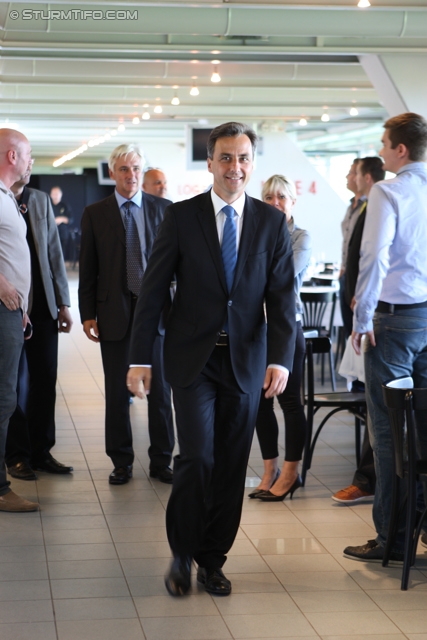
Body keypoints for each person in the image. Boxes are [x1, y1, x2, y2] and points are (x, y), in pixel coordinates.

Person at [127, 122, 296, 597]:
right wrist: (139, 356)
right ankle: (181, 553)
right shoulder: (182, 217)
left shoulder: (270, 222)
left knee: (229, 466)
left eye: (243, 158)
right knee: (197, 458)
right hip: (193, 360)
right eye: (225, 158)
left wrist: (280, 358)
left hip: (245, 362)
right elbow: (154, 291)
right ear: (210, 162)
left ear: (252, 163)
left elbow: (284, 298)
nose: (234, 168)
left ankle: (213, 559)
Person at [343, 112, 427, 563]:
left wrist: (361, 320)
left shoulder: (388, 190)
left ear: (400, 150)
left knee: (390, 432)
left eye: (383, 143)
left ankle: (393, 540)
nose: (378, 150)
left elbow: (373, 257)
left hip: (394, 322)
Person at [78, 144, 175, 486]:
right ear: (112, 173)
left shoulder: (164, 210)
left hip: (158, 314)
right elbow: (88, 267)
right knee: (119, 393)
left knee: (161, 392)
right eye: (123, 169)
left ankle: (162, 460)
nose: (131, 175)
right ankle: (121, 461)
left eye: (136, 168)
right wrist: (87, 312)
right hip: (114, 313)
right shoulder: (96, 212)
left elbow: (179, 265)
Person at [5, 170, 73, 480]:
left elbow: (54, 252)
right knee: (15, 384)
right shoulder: (3, 198)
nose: (30, 164)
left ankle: (42, 451)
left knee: (45, 380)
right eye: (26, 157)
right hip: (10, 307)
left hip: (43, 306)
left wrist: (63, 303)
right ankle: (17, 455)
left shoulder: (39, 200)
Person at [249, 174, 311, 502]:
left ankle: (291, 472)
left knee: (289, 403)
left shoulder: (301, 237)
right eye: (269, 198)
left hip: (287, 330)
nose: (275, 204)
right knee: (260, 403)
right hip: (257, 329)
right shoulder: (254, 234)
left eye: (281, 198)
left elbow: (281, 275)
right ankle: (269, 469)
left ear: (291, 202)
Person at [332, 156, 385, 504]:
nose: (349, 177)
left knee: (379, 402)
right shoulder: (358, 208)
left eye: (353, 172)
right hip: (362, 304)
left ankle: (369, 480)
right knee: (374, 399)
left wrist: (364, 307)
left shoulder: (380, 205)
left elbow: (373, 259)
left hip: (384, 312)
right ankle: (371, 480)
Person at [0, 127, 39, 512]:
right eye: (28, 155)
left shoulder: (7, 198)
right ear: (12, 157)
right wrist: (3, 287)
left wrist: (21, 303)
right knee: (2, 399)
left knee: (5, 398)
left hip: (11, 313)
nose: (31, 163)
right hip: (1, 311)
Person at [339, 160, 364, 339]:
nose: (348, 176)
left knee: (357, 331)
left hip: (359, 277)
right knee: (348, 328)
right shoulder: (350, 206)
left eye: (352, 172)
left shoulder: (370, 206)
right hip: (346, 275)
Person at [50, 186, 74, 260]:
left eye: (57, 194)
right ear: (51, 194)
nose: (55, 196)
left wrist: (61, 219)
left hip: (62, 234)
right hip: (50, 234)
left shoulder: (65, 205)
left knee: (60, 253)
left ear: (61, 194)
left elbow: (70, 220)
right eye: (53, 194)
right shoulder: (48, 205)